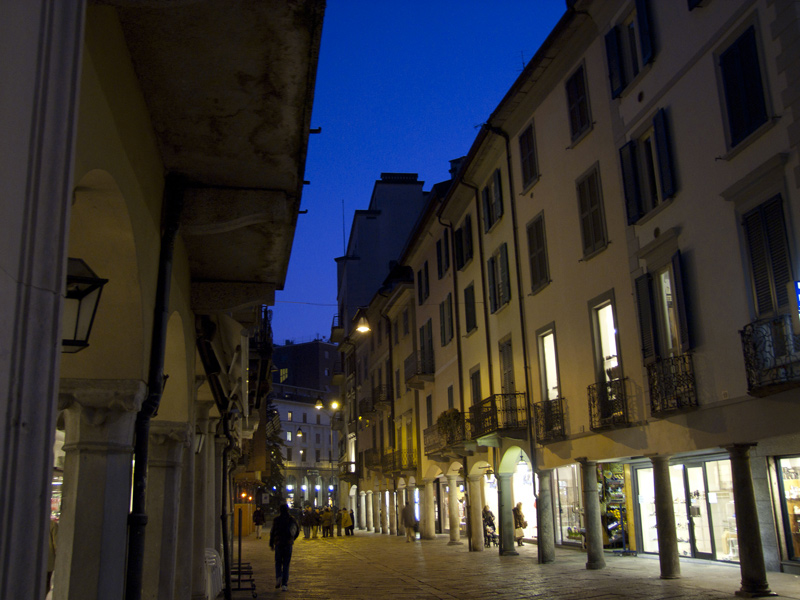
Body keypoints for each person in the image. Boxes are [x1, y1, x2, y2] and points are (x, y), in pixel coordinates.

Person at [269, 504, 299, 591]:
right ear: (288, 510)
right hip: (288, 544)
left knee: (278, 562)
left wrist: (271, 543)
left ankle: (278, 577)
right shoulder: (291, 520)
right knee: (286, 564)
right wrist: (292, 539)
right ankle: (284, 584)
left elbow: (272, 532)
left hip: (278, 543)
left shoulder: (276, 520)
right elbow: (296, 530)